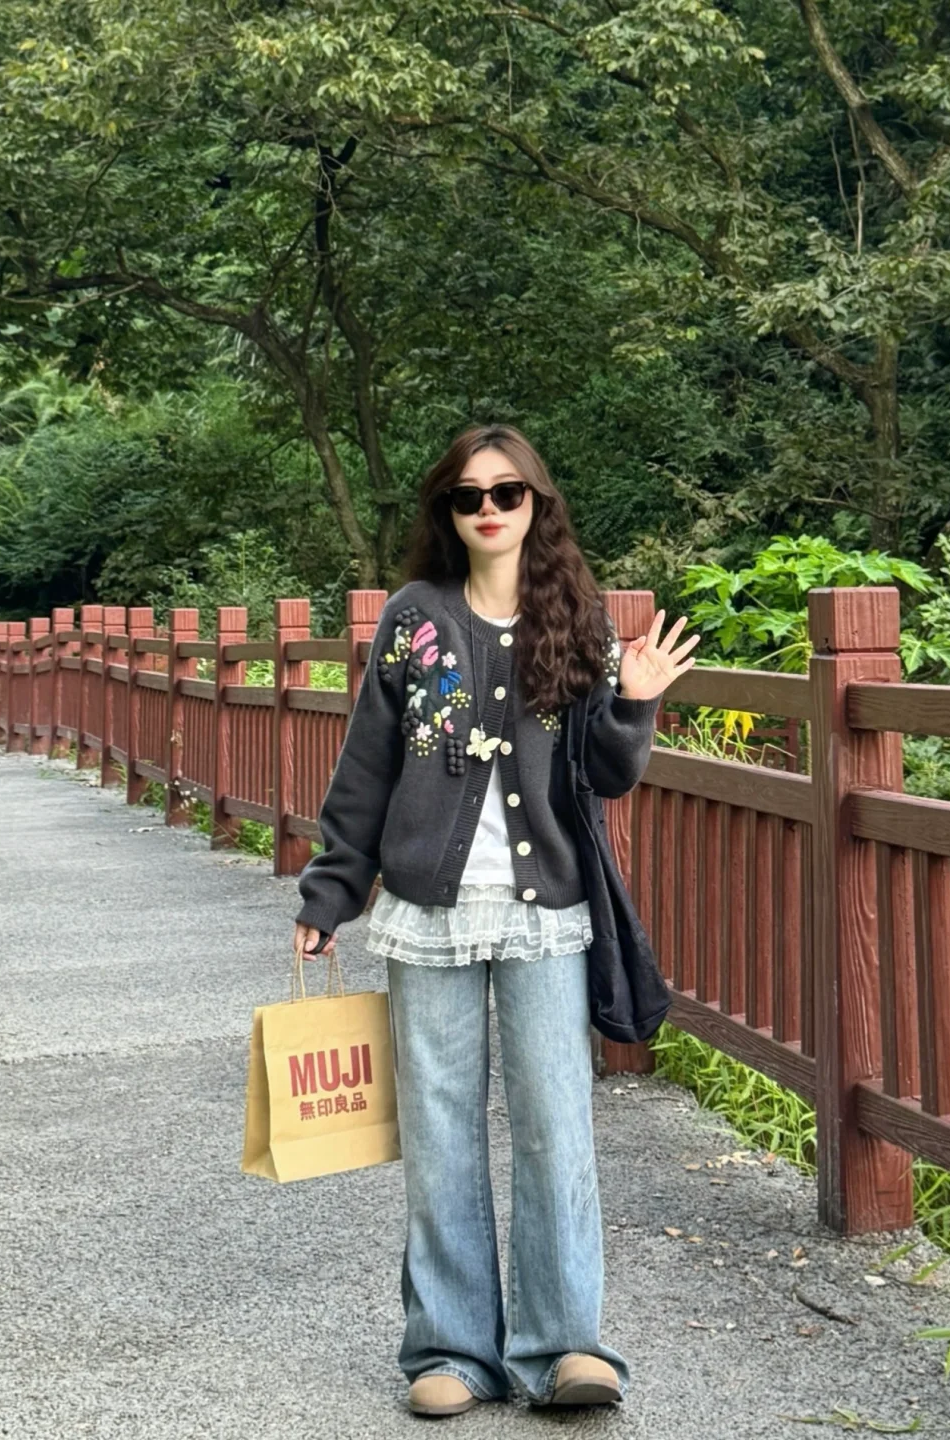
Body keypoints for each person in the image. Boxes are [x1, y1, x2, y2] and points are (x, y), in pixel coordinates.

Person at [293, 423, 698, 1417]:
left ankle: (564, 1346)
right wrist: (332, 891)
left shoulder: (577, 619)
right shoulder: (414, 618)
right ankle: (449, 1350)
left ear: (536, 505)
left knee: (556, 1127)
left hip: (544, 913)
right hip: (425, 912)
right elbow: (368, 763)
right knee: (440, 1135)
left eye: (507, 492)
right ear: (447, 511)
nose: (488, 508)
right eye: (468, 495)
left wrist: (634, 703)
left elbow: (605, 775)